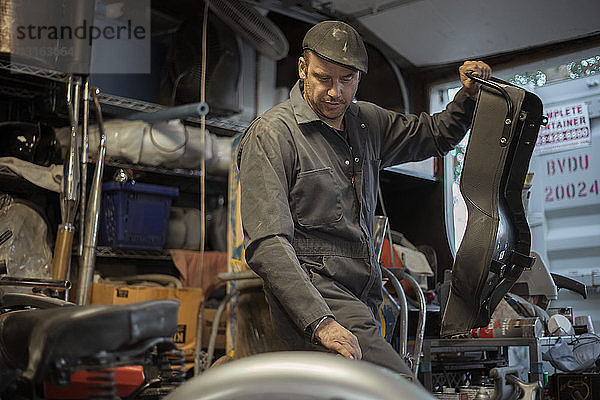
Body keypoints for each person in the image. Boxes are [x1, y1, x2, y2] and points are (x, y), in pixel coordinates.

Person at [237, 20, 491, 377]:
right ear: (302, 69)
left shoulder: (366, 122)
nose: (335, 93)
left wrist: (467, 96)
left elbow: (435, 135)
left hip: (364, 293)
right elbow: (267, 243)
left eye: (347, 80)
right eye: (324, 78)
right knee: (396, 384)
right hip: (316, 293)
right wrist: (320, 321)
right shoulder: (272, 135)